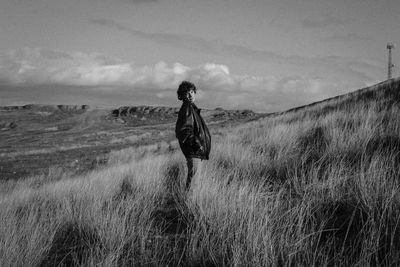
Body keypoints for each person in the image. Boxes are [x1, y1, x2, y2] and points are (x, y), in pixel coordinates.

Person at [175, 81, 211, 190]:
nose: (190, 95)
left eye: (192, 92)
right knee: (193, 185)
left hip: (195, 152)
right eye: (187, 93)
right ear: (182, 95)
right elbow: (183, 131)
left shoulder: (191, 108)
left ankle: (189, 204)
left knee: (194, 183)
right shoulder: (187, 108)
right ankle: (187, 205)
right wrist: (197, 144)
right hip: (193, 152)